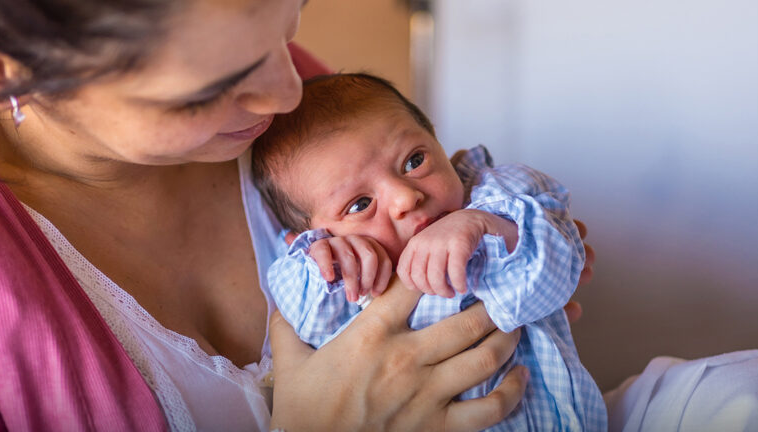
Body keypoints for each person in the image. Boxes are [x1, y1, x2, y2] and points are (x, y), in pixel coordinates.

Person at [0, 0, 758, 431]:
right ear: (14, 72)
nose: (289, 91)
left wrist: (512, 233)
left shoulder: (309, 115)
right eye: (211, 89)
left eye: (287, 25)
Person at [251, 72, 607, 431]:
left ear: (436, 141)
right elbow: (304, 318)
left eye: (413, 161)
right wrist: (326, 261)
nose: (406, 197)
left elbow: (558, 272)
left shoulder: (496, 195)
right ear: (314, 233)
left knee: (664, 386)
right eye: (359, 204)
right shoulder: (342, 269)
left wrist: (486, 225)